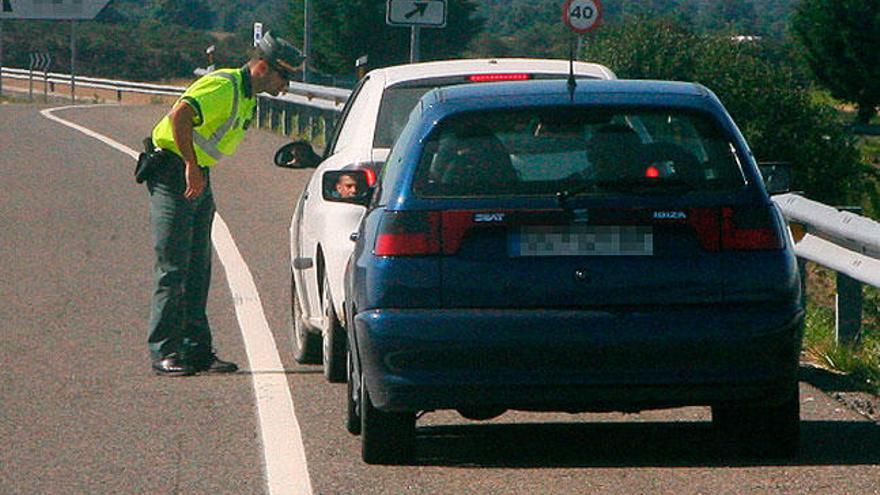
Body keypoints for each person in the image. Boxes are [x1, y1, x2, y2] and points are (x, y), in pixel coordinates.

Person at [146, 32, 304, 376]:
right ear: (263, 67)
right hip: (174, 172)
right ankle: (164, 351)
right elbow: (180, 115)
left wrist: (196, 168)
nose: (285, 87)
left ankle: (196, 351)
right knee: (173, 267)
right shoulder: (225, 86)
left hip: (196, 174)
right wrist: (190, 164)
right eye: (283, 77)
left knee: (198, 267)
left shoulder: (248, 96)